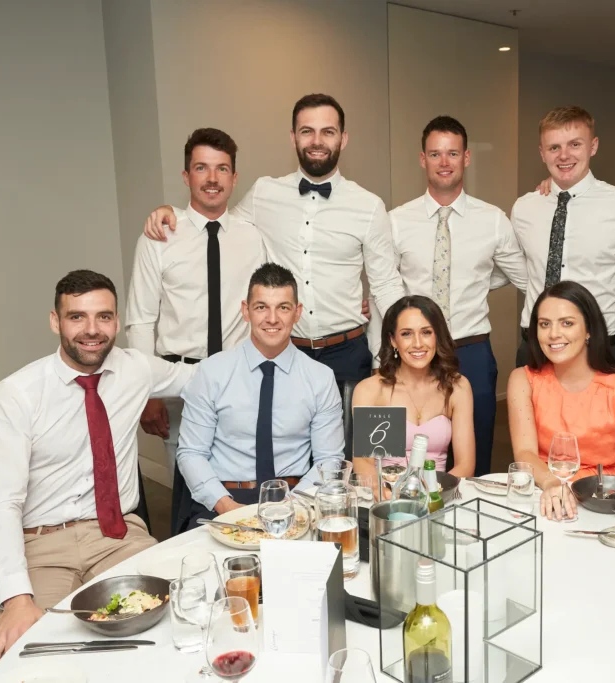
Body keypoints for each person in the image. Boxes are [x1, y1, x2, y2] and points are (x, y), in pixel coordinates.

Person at [0, 270, 195, 669]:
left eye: (104, 316)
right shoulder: (17, 394)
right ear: (55, 321)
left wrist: (269, 334)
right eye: (77, 316)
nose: (92, 330)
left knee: (179, 632)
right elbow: (0, 504)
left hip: (119, 537)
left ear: (117, 320)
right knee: (25, 659)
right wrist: (17, 598)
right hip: (41, 547)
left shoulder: (135, 369)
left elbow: (205, 378)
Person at [142, 94, 404, 390]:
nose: (317, 141)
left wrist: (401, 348)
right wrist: (173, 213)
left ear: (343, 139)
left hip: (350, 353)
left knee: (366, 422)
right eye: (307, 131)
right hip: (282, 351)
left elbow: (386, 285)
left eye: (328, 132)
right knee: (274, 422)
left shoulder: (369, 206)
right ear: (293, 137)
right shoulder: (263, 193)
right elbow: (218, 221)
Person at [124, 128, 265, 532]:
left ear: (234, 178)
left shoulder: (252, 236)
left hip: (240, 380)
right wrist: (148, 393)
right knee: (188, 492)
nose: (212, 178)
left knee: (241, 484)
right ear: (186, 176)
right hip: (177, 384)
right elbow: (140, 319)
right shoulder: (158, 237)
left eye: (222, 169)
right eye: (201, 168)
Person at [385, 116, 525, 476]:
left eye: (452, 153)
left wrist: (476, 281)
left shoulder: (493, 219)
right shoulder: (396, 221)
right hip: (410, 351)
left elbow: (524, 275)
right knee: (393, 454)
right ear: (422, 159)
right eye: (435, 154)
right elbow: (385, 285)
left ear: (466, 157)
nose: (444, 162)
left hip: (471, 351)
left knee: (474, 458)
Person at [173, 263, 344, 532]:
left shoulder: (320, 378)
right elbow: (191, 453)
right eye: (261, 307)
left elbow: (329, 459)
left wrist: (294, 506)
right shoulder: (211, 372)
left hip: (296, 498)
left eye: (283, 307)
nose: (272, 319)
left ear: (297, 312)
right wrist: (227, 507)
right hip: (224, 499)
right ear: (246, 311)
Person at [507, 281, 615, 522]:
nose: (553, 334)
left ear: (589, 330)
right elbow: (525, 453)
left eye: (567, 323)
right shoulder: (523, 380)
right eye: (544, 324)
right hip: (545, 496)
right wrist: (552, 484)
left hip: (605, 504)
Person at [515, 106, 615, 369]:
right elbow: (521, 270)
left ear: (593, 146)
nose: (564, 155)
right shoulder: (524, 208)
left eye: (575, 144)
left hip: (601, 347)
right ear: (542, 152)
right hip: (537, 346)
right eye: (554, 147)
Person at [353, 295, 475, 483]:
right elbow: (363, 464)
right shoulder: (372, 390)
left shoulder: (456, 387)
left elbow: (465, 465)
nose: (418, 343)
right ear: (393, 340)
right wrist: (387, 494)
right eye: (406, 334)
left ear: (437, 336)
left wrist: (432, 492)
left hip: (438, 492)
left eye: (426, 332)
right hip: (385, 493)